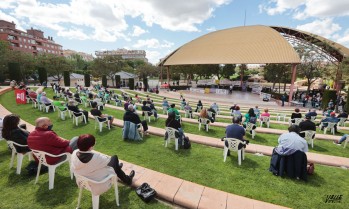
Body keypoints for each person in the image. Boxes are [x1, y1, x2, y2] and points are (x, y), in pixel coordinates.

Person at [71, 134, 135, 194]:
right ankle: (128, 180)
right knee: (114, 158)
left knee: (115, 164)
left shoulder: (75, 153)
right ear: (90, 147)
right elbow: (107, 160)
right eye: (94, 143)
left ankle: (117, 168)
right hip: (99, 183)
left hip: (83, 180)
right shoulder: (96, 158)